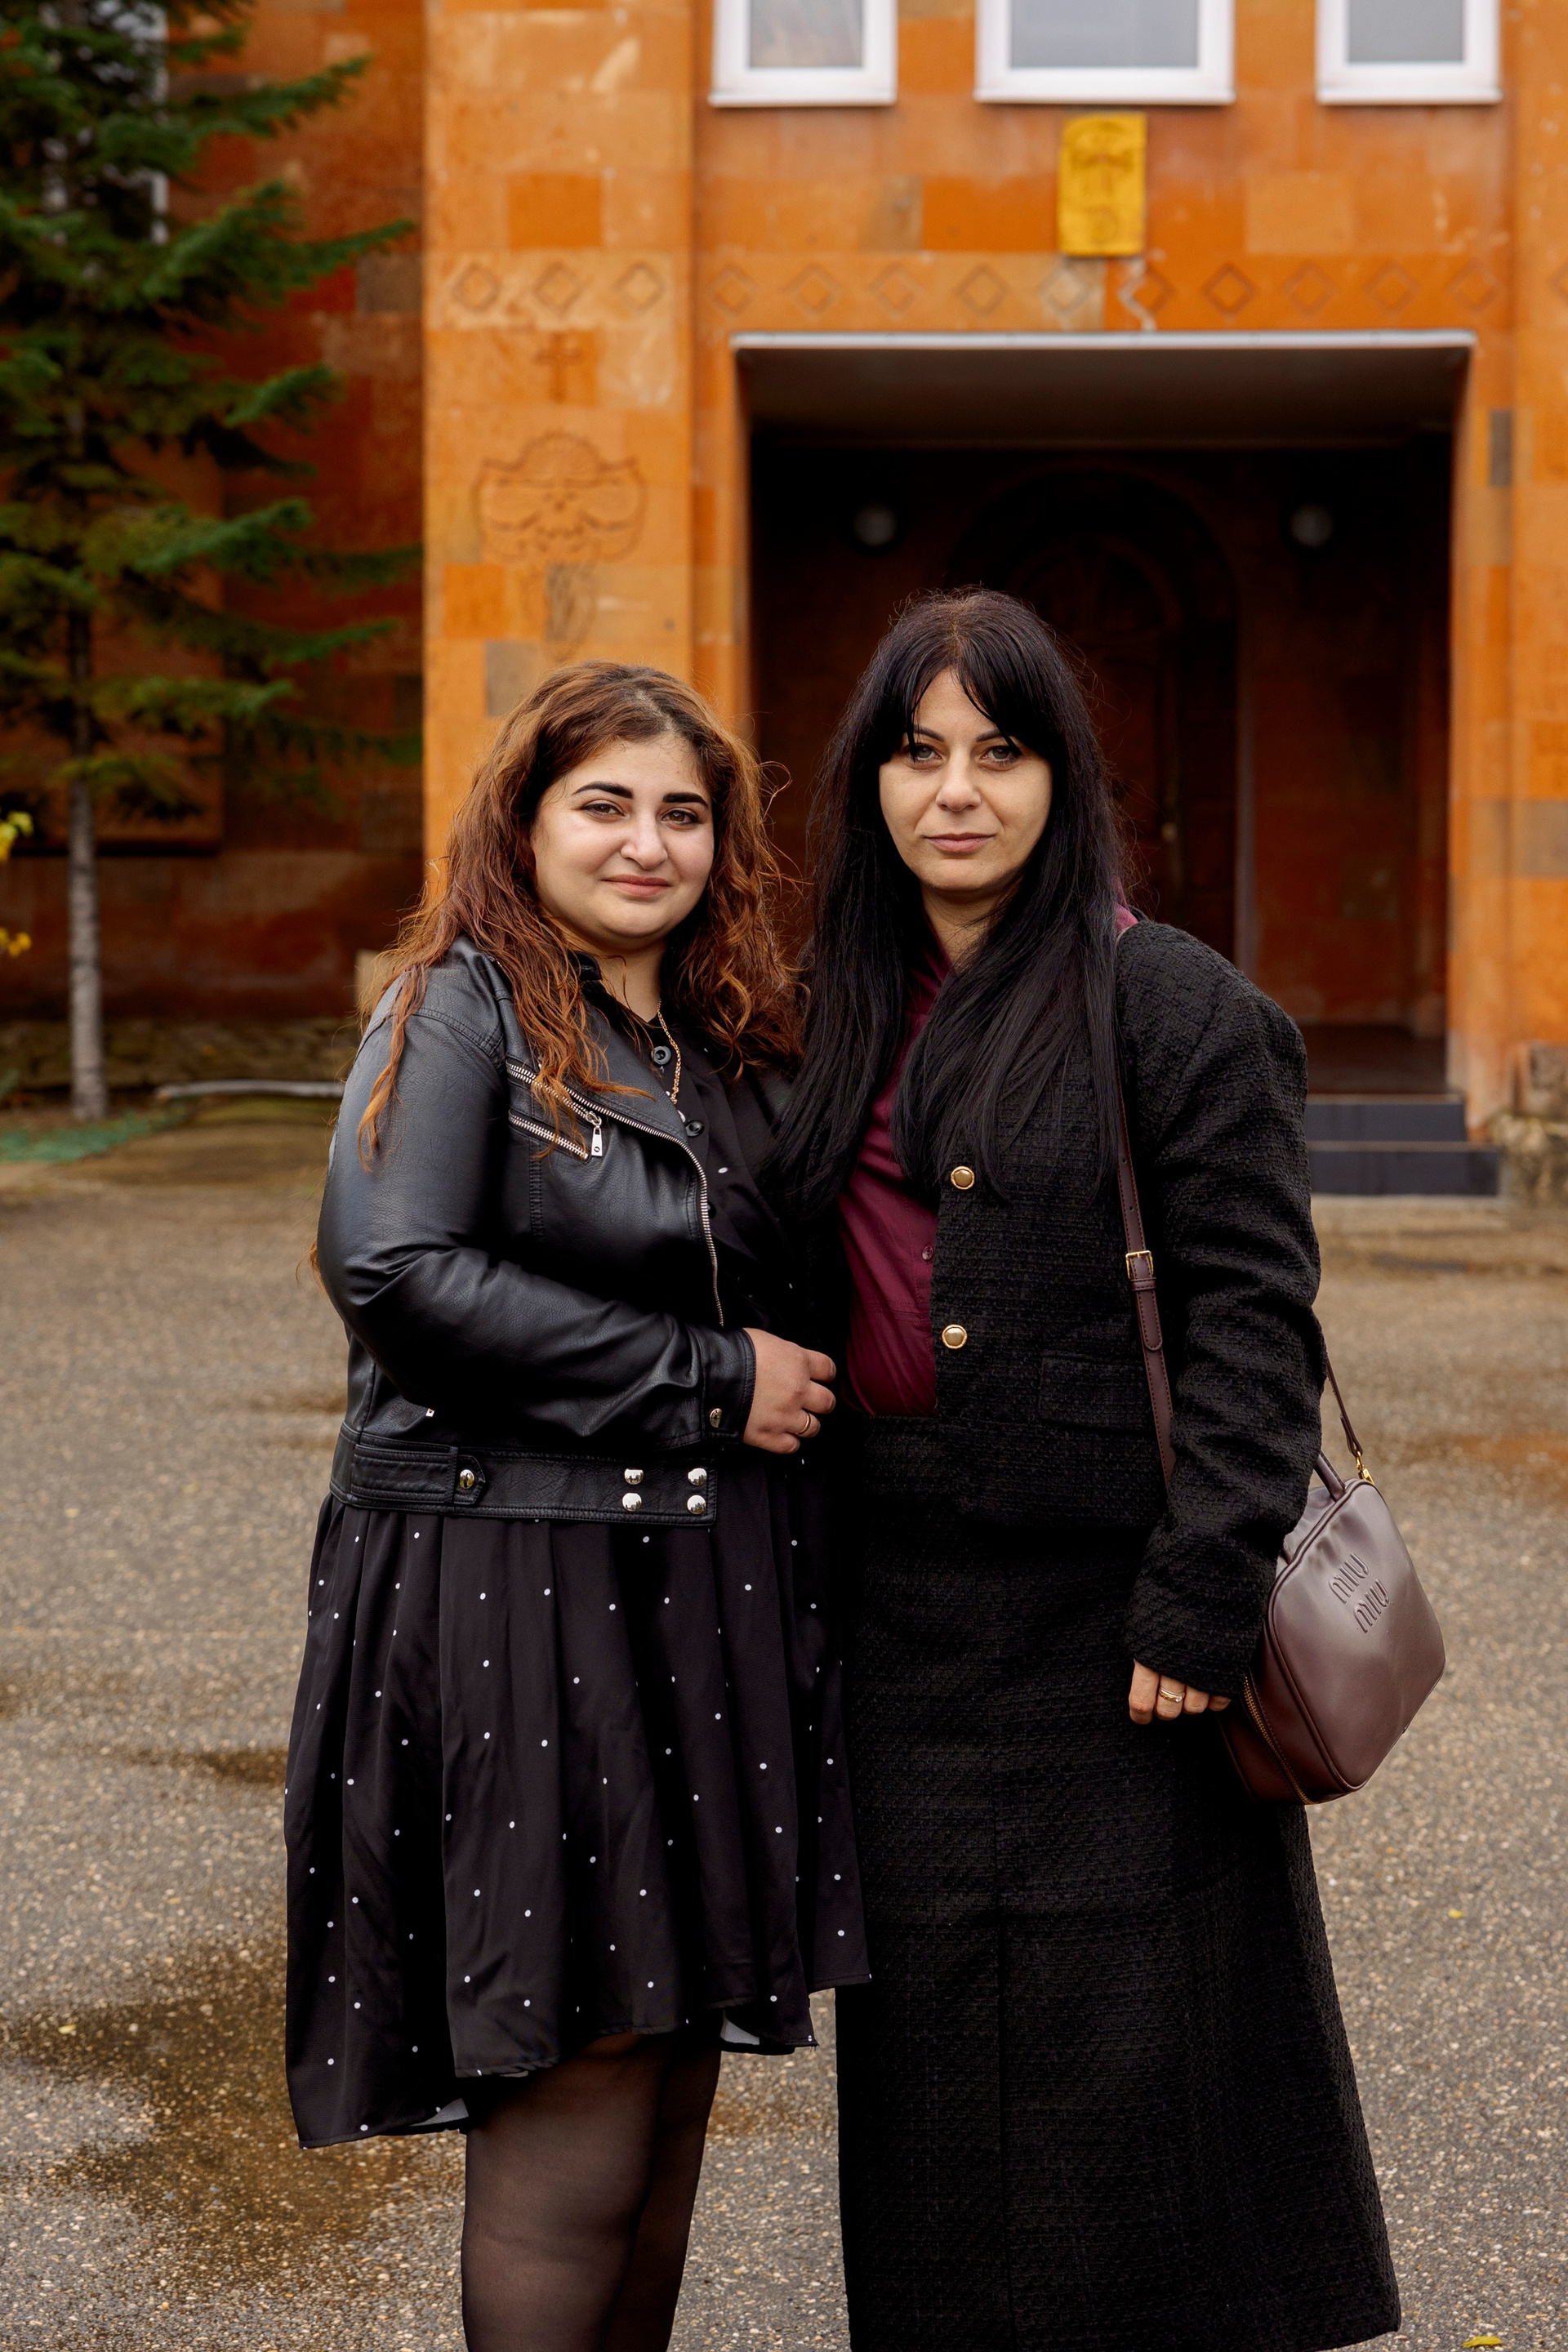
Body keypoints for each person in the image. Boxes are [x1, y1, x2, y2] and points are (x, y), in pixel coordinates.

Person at [768, 590, 1399, 2351]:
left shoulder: (1172, 1003)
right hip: (897, 1620)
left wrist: (1201, 1602)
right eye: (917, 753)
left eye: (1000, 751)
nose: (954, 792)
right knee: (932, 2068)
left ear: (1064, 778)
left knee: (1144, 2064)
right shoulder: (824, 1003)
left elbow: (1255, 1328)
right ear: (871, 779)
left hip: (1121, 1635)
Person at [285, 661, 867, 2352]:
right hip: (520, 1582)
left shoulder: (724, 1039)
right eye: (604, 804)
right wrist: (709, 1379)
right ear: (525, 820)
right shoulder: (458, 1006)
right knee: (582, 2066)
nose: (646, 842)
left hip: (699, 1591)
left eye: (683, 812)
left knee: (667, 2073)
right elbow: (394, 1270)